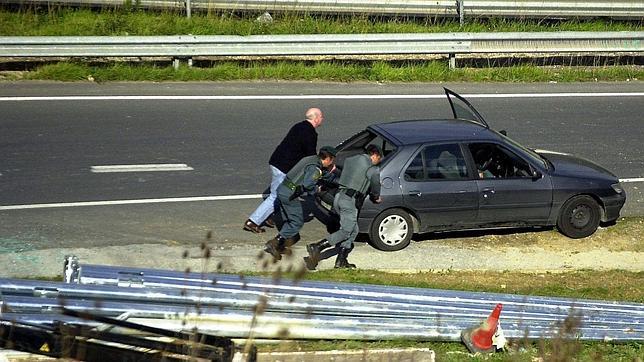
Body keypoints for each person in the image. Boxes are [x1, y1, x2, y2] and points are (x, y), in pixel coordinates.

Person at [243, 108, 324, 233]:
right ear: (316, 118)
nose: (322, 119)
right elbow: (310, 156)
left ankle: (269, 217)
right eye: (321, 117)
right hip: (284, 167)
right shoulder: (310, 133)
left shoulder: (298, 126)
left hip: (276, 161)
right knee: (277, 195)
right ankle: (253, 221)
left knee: (280, 193)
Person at [304, 144, 383, 270]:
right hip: (349, 201)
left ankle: (341, 261)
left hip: (338, 197)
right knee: (346, 231)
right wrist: (376, 196)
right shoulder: (371, 168)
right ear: (374, 155)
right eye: (379, 159)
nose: (378, 162)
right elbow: (375, 185)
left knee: (353, 230)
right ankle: (317, 247)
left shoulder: (351, 160)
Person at [263, 146, 338, 261]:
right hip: (291, 194)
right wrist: (317, 190)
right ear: (327, 158)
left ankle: (280, 245)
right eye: (332, 159)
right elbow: (308, 186)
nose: (332, 162)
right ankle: (275, 243)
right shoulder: (315, 169)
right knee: (296, 222)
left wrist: (332, 178)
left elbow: (322, 174)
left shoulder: (311, 159)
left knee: (289, 219)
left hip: (283, 188)